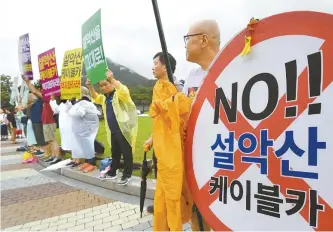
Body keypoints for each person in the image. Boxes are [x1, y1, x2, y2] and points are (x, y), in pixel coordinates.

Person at [144, 52, 193, 230]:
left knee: (172, 195)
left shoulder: (174, 89)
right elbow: (159, 121)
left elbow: (181, 118)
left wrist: (170, 103)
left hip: (172, 151)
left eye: (155, 63)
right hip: (161, 149)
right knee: (161, 196)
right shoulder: (158, 87)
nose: (153, 66)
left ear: (165, 66)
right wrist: (152, 138)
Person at [183, 19, 221, 231]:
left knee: (220, 211)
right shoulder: (192, 75)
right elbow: (181, 112)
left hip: (221, 157)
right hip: (194, 157)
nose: (185, 44)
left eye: (188, 38)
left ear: (204, 40)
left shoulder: (230, 67)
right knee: (196, 211)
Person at [87, 69, 138, 186]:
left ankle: (127, 174)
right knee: (115, 153)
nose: (103, 88)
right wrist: (90, 86)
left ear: (112, 83)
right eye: (101, 86)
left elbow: (124, 91)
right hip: (113, 130)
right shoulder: (105, 98)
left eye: (106, 84)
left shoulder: (118, 95)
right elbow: (95, 97)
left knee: (126, 152)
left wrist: (112, 79)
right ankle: (113, 172)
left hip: (123, 129)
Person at [22, 75, 61, 165]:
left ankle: (57, 157)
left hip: (49, 122)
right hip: (46, 122)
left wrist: (28, 82)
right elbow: (35, 91)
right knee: (50, 140)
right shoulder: (46, 98)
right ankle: (53, 156)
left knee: (52, 140)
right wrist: (27, 82)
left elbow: (35, 91)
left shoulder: (50, 99)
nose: (42, 91)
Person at [68, 86, 100, 171]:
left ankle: (92, 163)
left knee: (88, 145)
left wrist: (74, 104)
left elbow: (78, 113)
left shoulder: (84, 103)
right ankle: (88, 161)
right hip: (84, 129)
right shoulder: (83, 103)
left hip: (87, 129)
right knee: (85, 146)